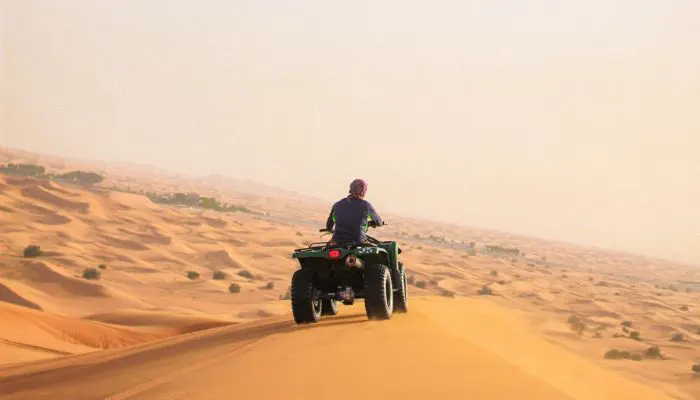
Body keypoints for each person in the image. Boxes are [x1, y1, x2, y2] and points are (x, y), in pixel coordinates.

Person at [326, 178, 383, 245]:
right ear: (363, 191)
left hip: (337, 241)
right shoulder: (366, 205)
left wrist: (330, 229)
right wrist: (373, 223)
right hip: (358, 241)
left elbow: (329, 226)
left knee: (327, 249)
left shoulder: (337, 204)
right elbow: (379, 222)